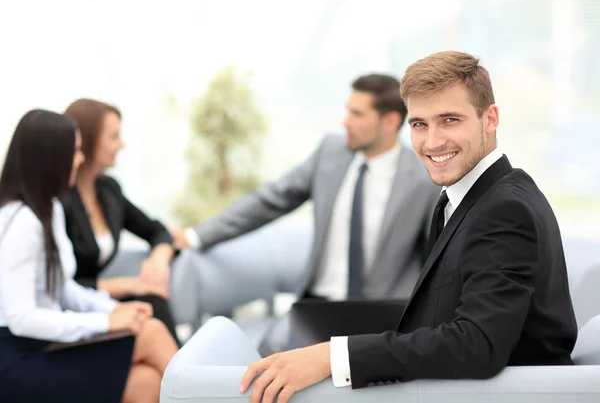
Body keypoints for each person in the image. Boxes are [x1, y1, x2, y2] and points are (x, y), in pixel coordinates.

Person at [238, 51, 578, 403]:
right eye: (419, 124)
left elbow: (478, 344)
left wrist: (333, 357)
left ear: (489, 119)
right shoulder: (461, 199)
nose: (432, 142)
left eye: (449, 120)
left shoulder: (504, 209)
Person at [173, 73, 439, 296]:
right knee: (271, 349)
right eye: (348, 111)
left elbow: (437, 256)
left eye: (357, 114)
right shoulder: (330, 153)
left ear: (391, 121)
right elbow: (270, 200)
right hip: (318, 303)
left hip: (385, 314)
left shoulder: (423, 177)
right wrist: (195, 236)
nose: (345, 121)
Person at [0, 109, 179, 403]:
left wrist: (113, 309)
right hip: (16, 358)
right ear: (49, 159)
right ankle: (210, 393)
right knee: (152, 333)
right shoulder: (20, 222)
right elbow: (22, 319)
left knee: (147, 383)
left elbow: (64, 289)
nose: (80, 160)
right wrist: (106, 322)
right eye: (75, 151)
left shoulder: (50, 209)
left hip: (43, 343)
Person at [59, 98, 180, 344]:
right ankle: (182, 377)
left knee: (152, 302)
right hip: (68, 310)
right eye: (114, 137)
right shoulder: (58, 201)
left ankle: (182, 375)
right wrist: (129, 285)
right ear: (89, 140)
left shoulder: (108, 191)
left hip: (96, 300)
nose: (122, 145)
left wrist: (159, 258)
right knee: (147, 304)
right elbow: (59, 284)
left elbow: (157, 230)